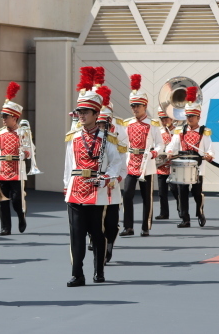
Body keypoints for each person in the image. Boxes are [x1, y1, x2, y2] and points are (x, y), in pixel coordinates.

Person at [63, 66, 121, 287]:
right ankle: (77, 274)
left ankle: (99, 269)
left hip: (97, 190)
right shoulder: (73, 136)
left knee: (97, 233)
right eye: (80, 112)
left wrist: (106, 178)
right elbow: (68, 165)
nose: (81, 115)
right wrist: (66, 186)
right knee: (76, 235)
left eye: (86, 112)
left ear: (97, 115)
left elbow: (117, 163)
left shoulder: (109, 138)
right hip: (76, 188)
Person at [120, 74, 164, 237]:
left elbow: (161, 144)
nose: (135, 109)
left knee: (147, 198)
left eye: (138, 106)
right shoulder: (127, 123)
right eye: (133, 106)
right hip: (131, 162)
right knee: (127, 196)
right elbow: (123, 143)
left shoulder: (153, 125)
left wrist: (154, 153)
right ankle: (128, 227)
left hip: (147, 164)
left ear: (145, 106)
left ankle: (146, 226)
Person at [166, 86, 214, 228]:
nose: (189, 119)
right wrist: (169, 151)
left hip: (198, 167)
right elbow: (172, 145)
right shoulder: (180, 131)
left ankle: (200, 212)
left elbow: (210, 149)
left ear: (198, 117)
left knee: (197, 193)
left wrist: (210, 155)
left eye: (192, 116)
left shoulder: (204, 132)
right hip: (182, 166)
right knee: (182, 193)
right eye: (188, 116)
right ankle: (185, 218)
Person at [0, 82, 34, 236]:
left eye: (6, 116)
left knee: (17, 200)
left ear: (15, 117)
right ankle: (5, 227)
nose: (3, 119)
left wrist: (24, 154)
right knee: (2, 201)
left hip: (17, 170)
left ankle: (21, 215)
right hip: (2, 170)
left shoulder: (23, 133)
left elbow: (30, 149)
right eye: (2, 116)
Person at [95, 83, 127, 263]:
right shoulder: (92, 140)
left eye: (105, 123)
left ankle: (109, 246)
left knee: (112, 224)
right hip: (95, 190)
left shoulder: (117, 141)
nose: (102, 126)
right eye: (100, 123)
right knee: (95, 224)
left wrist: (117, 178)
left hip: (112, 189)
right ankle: (97, 246)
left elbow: (123, 166)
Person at [155, 106, 181, 220]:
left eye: (166, 118)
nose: (164, 121)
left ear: (171, 118)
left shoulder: (177, 131)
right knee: (162, 192)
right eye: (162, 119)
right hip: (161, 165)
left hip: (174, 164)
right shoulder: (159, 131)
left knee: (175, 189)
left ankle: (181, 210)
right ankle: (164, 212)